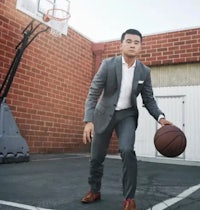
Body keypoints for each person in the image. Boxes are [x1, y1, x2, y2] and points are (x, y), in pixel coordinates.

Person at [81, 29, 172, 210]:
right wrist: (89, 120)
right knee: (96, 157)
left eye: (136, 42)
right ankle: (94, 190)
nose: (132, 44)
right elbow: (94, 92)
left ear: (140, 47)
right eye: (128, 41)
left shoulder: (144, 72)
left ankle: (129, 199)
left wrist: (161, 118)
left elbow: (148, 99)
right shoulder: (108, 64)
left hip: (127, 115)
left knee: (127, 150)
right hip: (103, 113)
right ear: (121, 44)